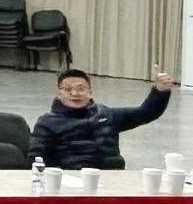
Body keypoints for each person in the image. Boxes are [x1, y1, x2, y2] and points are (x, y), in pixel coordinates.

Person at [31, 66, 174, 169]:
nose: (75, 93)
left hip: (112, 179)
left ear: (90, 92)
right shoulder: (47, 123)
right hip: (72, 182)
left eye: (81, 88)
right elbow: (35, 160)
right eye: (68, 89)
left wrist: (160, 91)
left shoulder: (105, 114)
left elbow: (146, 113)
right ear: (58, 93)